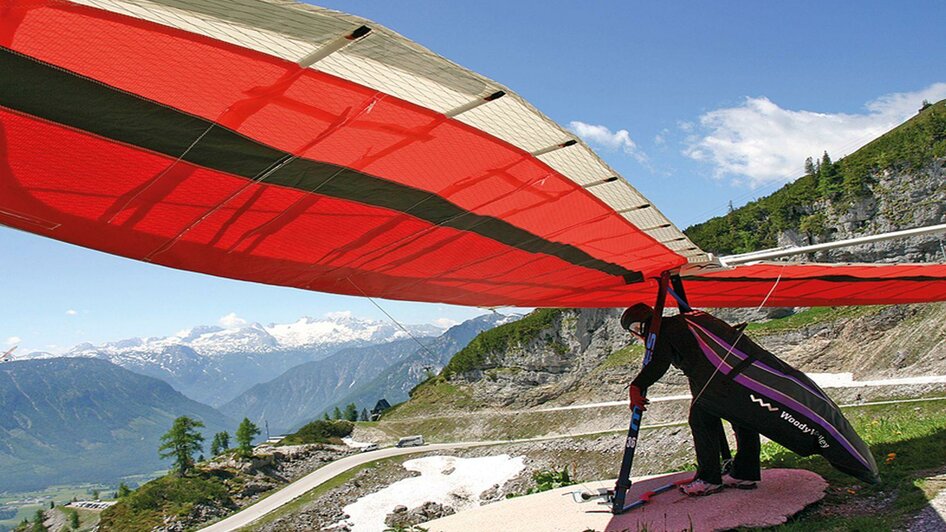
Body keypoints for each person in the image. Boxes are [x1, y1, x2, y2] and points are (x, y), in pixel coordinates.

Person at [622, 303, 762, 496]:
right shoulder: (683, 321)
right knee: (741, 420)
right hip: (735, 372)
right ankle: (745, 473)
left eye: (634, 331)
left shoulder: (662, 330)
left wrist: (636, 386)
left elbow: (659, 363)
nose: (636, 336)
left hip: (713, 381)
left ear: (638, 326)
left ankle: (709, 479)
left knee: (701, 420)